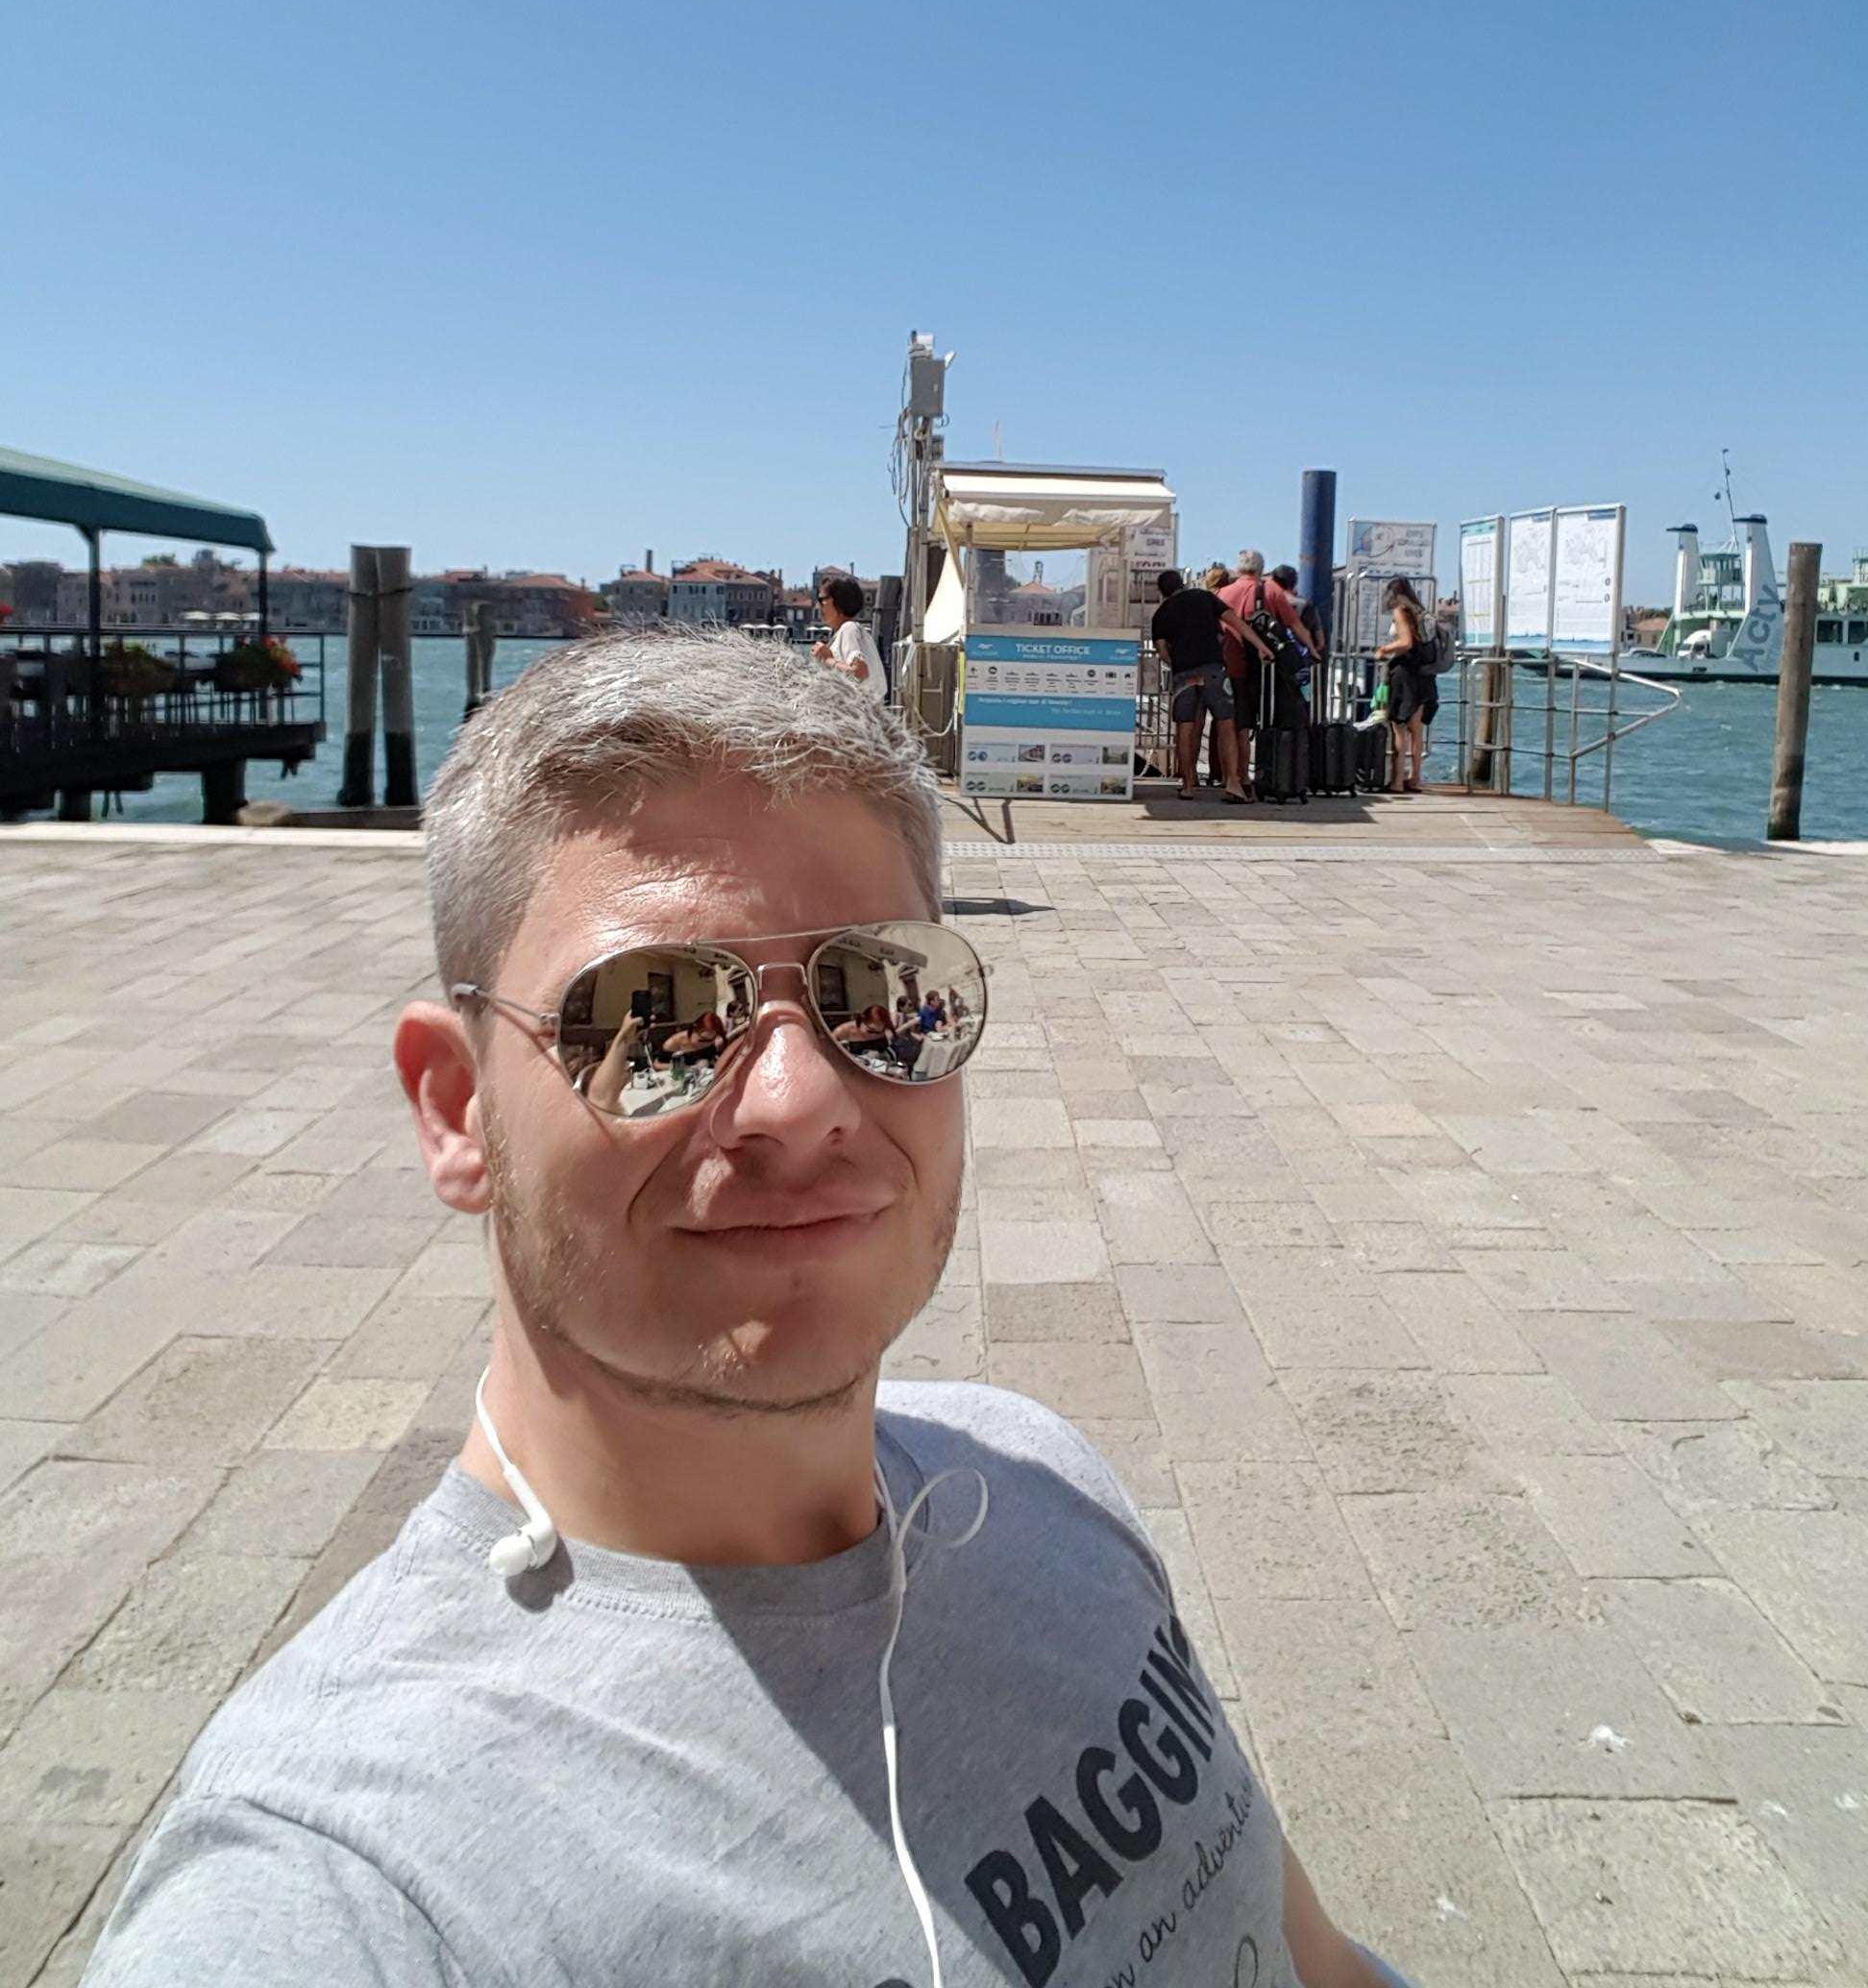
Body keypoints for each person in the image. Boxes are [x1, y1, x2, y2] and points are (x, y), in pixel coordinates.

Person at [85, 629, 1406, 1988]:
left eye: (881, 993)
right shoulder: (352, 1887)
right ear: (457, 1108)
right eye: (652, 1015)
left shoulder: (1045, 1478)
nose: (799, 1100)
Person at [1148, 568, 1260, 804]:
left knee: (1185, 726)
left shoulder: (1162, 613)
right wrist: (1261, 647)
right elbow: (1231, 623)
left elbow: (1162, 649)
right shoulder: (1205, 597)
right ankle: (1233, 784)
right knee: (1226, 722)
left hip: (1184, 674)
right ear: (1182, 583)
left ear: (1162, 591)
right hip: (1214, 669)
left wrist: (1178, 663)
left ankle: (1188, 784)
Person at [1218, 551, 1310, 786]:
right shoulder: (1270, 590)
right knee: (1259, 722)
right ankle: (1255, 775)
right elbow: (1294, 624)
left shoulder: (1223, 593)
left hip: (1229, 664)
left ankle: (1231, 776)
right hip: (1262, 668)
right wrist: (1313, 649)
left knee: (1234, 723)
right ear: (1260, 569)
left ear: (1239, 568)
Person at [1376, 575, 1435, 794]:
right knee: (1417, 730)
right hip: (1423, 674)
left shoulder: (1400, 611)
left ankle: (1397, 781)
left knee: (1399, 727)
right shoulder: (1419, 610)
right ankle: (1415, 779)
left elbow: (1406, 642)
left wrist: (1384, 649)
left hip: (1405, 673)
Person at [814, 574, 887, 690]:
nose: (818, 606)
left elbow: (859, 673)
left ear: (839, 600)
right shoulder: (852, 631)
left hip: (859, 701)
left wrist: (827, 659)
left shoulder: (848, 629)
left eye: (821, 600)